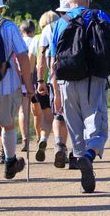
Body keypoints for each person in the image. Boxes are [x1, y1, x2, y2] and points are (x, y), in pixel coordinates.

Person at [50, 0, 110, 193]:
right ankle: (89, 157)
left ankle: (81, 159)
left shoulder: (60, 22)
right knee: (96, 123)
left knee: (74, 125)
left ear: (69, 1)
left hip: (66, 81)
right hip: (94, 79)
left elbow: (54, 59)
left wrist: (55, 89)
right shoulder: (98, 15)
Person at [0, 0, 34, 179]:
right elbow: (23, 57)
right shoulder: (8, 26)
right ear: (0, 8)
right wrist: (28, 85)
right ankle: (10, 161)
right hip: (7, 85)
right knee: (7, 125)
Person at [36, 9, 68, 169]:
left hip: (55, 79)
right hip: (77, 78)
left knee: (57, 114)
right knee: (73, 116)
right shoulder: (74, 23)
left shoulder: (48, 30)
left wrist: (40, 80)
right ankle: (76, 152)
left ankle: (59, 144)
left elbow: (41, 57)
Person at [18, 19, 36, 151]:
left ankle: (25, 139)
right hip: (36, 80)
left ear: (22, 31)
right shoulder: (36, 41)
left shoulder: (18, 42)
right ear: (33, 30)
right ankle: (41, 136)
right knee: (38, 112)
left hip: (20, 80)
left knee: (23, 110)